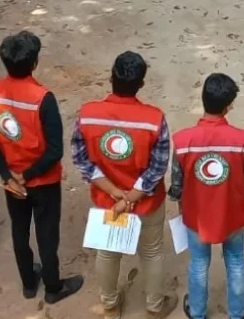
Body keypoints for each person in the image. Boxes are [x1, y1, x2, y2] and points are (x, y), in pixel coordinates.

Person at [0, 31, 84, 304]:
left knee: (19, 229)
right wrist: (26, 175)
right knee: (47, 234)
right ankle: (52, 287)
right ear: (34, 63)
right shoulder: (43, 98)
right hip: (42, 180)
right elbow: (55, 150)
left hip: (12, 182)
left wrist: (8, 175)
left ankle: (28, 282)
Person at [72, 52, 178, 318]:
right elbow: (157, 167)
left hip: (107, 201)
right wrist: (131, 197)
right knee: (151, 253)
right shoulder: (154, 119)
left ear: (111, 77)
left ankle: (110, 305)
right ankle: (155, 306)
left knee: (108, 253)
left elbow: (80, 158)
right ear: (141, 84)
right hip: (147, 202)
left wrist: (113, 192)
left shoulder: (87, 115)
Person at [170, 73, 244, 319]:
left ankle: (197, 311)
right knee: (236, 260)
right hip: (232, 213)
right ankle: (237, 312)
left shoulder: (182, 141)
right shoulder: (243, 140)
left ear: (203, 99)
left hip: (196, 215)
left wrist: (181, 206)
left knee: (199, 263)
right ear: (228, 106)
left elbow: (176, 186)